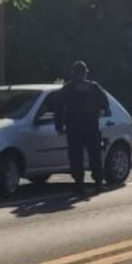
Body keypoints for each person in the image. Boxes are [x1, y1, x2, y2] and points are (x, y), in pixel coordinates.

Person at [54, 61, 109, 195]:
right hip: (89, 126)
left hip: (75, 128)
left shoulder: (68, 88)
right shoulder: (93, 87)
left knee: (77, 157)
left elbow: (58, 107)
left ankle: (80, 184)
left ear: (73, 73)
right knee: (93, 155)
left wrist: (59, 125)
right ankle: (97, 183)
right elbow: (105, 104)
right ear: (85, 73)